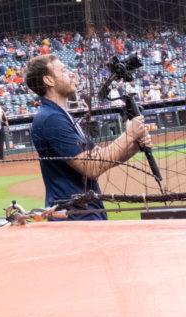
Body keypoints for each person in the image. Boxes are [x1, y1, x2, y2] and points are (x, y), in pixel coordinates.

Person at [25, 53, 152, 220]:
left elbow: (101, 157)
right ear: (49, 80)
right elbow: (91, 167)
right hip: (75, 219)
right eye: (64, 71)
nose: (72, 74)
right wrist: (130, 134)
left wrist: (133, 145)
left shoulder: (60, 116)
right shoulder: (51, 118)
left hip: (83, 214)